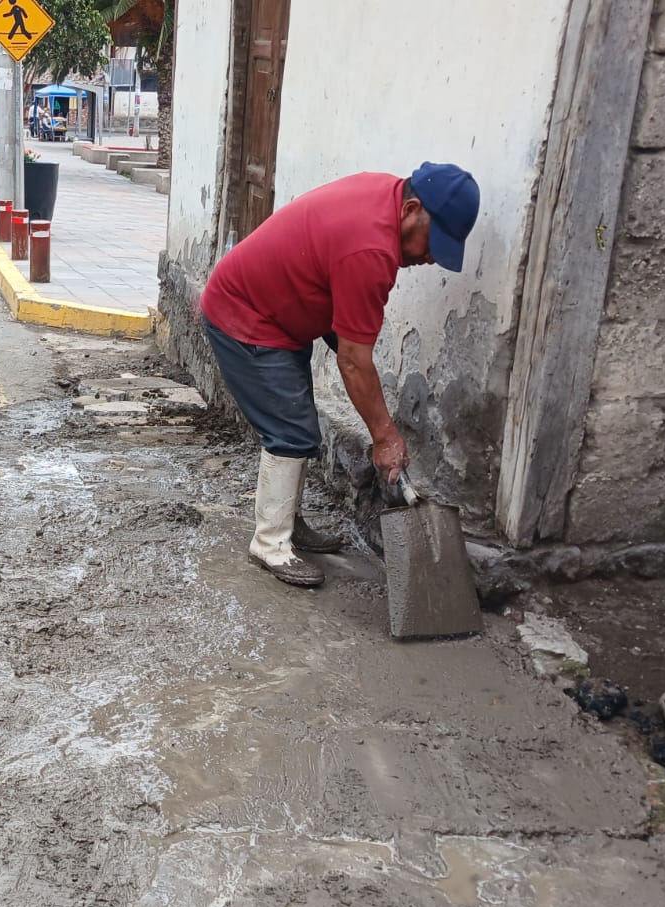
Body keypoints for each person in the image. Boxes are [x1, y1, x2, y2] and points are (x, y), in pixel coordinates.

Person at [199, 162, 480, 588]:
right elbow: (352, 360)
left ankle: (287, 522)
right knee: (290, 430)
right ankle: (271, 543)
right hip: (245, 315)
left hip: (279, 315)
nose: (430, 258)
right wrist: (385, 436)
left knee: (298, 423)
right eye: (432, 243)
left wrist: (373, 403)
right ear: (411, 209)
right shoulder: (371, 250)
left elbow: (347, 331)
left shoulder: (383, 197)